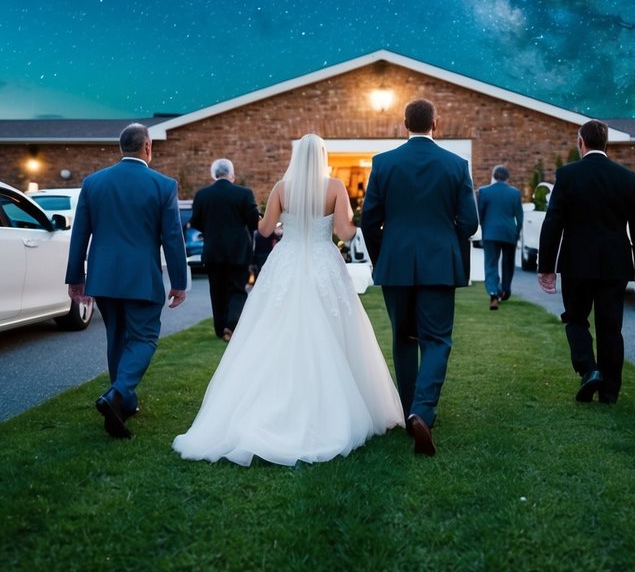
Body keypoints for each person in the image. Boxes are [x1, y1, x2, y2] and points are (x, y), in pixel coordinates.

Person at [173, 134, 403, 466]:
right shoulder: (335, 187)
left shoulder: (282, 187)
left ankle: (266, 404)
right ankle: (328, 405)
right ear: (322, 156)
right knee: (334, 329)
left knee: (273, 329)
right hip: (323, 261)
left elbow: (265, 230)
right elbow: (344, 230)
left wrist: (286, 224)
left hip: (288, 261)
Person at [360, 99, 479, 456]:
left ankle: (410, 409)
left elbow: (369, 220)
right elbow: (470, 224)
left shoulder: (383, 163)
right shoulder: (456, 165)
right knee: (437, 340)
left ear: (404, 124)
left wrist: (384, 256)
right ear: (436, 123)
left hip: (395, 264)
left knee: (403, 338)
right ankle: (422, 411)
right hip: (439, 264)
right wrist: (447, 241)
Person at [66, 123, 189, 439]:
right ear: (147, 146)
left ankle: (125, 402)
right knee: (145, 337)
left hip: (103, 277)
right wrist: (179, 281)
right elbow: (172, 237)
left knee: (117, 337)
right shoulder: (162, 185)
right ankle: (117, 395)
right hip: (141, 277)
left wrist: (75, 277)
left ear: (122, 147)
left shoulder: (93, 183)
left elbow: (80, 233)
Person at [537, 120, 635, 405]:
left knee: (575, 319)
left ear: (580, 142)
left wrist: (546, 267)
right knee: (610, 327)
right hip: (615, 263)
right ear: (606, 144)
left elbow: (553, 222)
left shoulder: (567, 175)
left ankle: (589, 370)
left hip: (577, 263)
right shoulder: (627, 177)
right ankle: (609, 392)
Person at [191, 158, 259, 341]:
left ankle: (220, 328)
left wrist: (211, 230)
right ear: (232, 175)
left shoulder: (202, 195)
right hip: (238, 251)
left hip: (213, 251)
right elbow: (254, 222)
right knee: (237, 289)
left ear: (213, 175)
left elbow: (195, 221)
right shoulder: (244, 194)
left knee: (217, 291)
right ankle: (232, 325)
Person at [476, 164, 523, 310]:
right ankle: (505, 289)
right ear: (507, 178)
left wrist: (484, 228)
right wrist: (517, 232)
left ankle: (493, 293)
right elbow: (519, 216)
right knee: (508, 263)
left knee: (491, 263)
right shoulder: (515, 193)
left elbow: (480, 214)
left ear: (494, 176)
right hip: (509, 232)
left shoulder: (484, 192)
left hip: (490, 232)